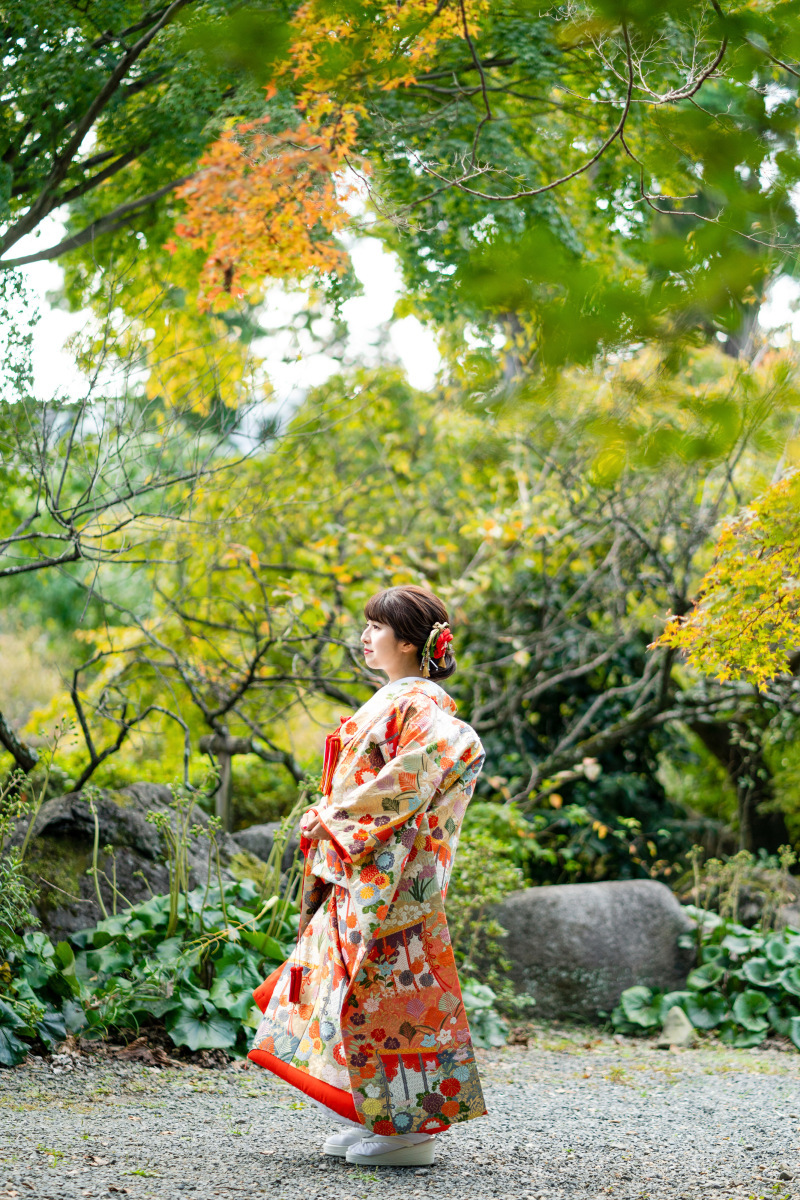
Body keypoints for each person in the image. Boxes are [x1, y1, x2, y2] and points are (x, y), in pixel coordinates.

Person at [248, 584, 487, 1168]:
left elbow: (448, 751)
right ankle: (379, 1117)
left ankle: (412, 1131)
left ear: (409, 641)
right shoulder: (396, 699)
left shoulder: (420, 704)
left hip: (393, 872)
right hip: (369, 867)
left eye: (377, 627)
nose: (365, 635)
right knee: (355, 992)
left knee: (392, 996)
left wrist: (339, 817)